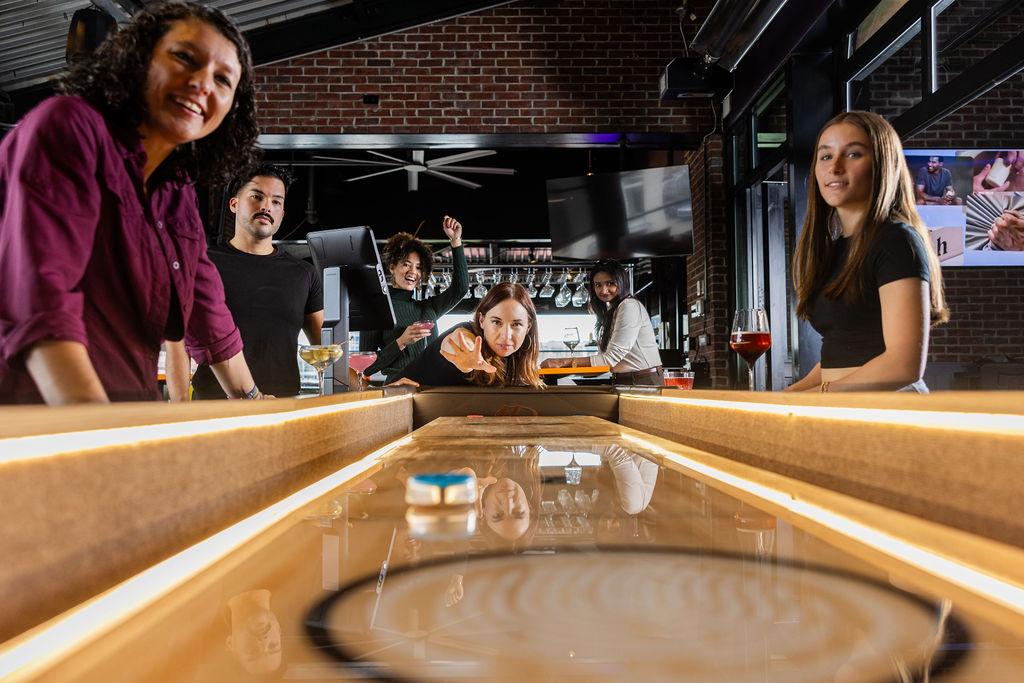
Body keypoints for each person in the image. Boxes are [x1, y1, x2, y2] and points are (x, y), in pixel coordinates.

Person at [0, 1, 264, 404]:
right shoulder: (70, 125)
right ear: (139, 59)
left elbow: (209, 314)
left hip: (128, 413)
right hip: (38, 421)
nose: (202, 83)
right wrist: (102, 432)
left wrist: (255, 402)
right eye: (184, 57)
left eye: (223, 79)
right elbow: (40, 302)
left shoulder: (177, 191)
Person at [786, 110, 948, 394]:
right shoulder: (835, 249)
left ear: (882, 165)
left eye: (853, 154)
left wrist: (816, 398)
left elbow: (903, 366)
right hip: (844, 404)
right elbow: (841, 352)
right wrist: (790, 395)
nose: (834, 167)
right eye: (826, 156)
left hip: (887, 406)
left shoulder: (896, 240)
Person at [179, 164, 324, 399]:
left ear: (282, 214)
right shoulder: (205, 264)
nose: (267, 206)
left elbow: (326, 351)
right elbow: (179, 342)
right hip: (213, 406)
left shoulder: (304, 274)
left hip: (283, 406)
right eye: (256, 196)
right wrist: (179, 406)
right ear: (234, 204)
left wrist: (367, 389)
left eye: (276, 201)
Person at [360, 217, 469, 384]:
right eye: (406, 264)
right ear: (392, 267)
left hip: (432, 386)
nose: (413, 271)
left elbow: (461, 288)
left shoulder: (429, 308)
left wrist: (456, 240)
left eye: (418, 267)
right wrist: (401, 342)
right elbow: (365, 367)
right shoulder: (377, 309)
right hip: (399, 388)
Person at [395, 282, 544, 388]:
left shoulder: (516, 356)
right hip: (396, 400)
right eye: (496, 322)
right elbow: (458, 340)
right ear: (481, 321)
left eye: (516, 324)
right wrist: (467, 359)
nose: (506, 335)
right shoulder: (466, 333)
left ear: (528, 326)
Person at [540, 259, 663, 386]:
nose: (604, 290)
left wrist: (562, 363)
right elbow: (602, 364)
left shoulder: (629, 306)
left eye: (610, 283)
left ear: (621, 282)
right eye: (598, 285)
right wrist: (561, 371)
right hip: (626, 381)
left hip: (644, 381)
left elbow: (610, 359)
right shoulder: (612, 311)